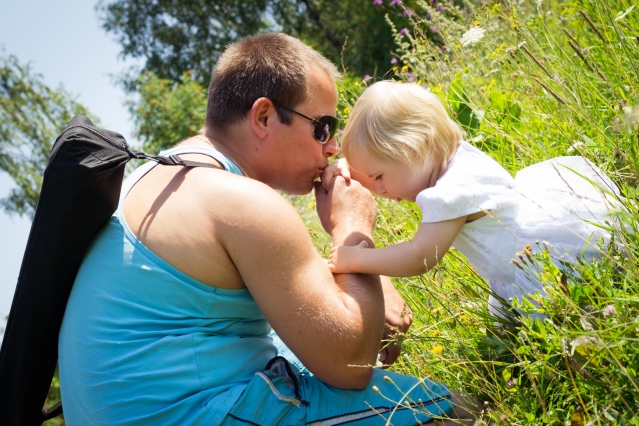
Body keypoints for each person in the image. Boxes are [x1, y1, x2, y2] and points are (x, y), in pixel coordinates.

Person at [58, 34, 476, 425]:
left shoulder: (161, 177)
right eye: (323, 127)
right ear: (263, 116)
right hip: (196, 414)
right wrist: (352, 228)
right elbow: (353, 366)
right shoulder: (240, 202)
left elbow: (349, 332)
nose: (332, 147)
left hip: (169, 409)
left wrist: (360, 287)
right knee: (451, 407)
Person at [325, 80, 621, 318]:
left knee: (568, 313)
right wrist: (348, 169)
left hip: (534, 264)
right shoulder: (458, 157)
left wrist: (357, 259)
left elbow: (420, 257)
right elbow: (386, 171)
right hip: (529, 237)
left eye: (378, 177)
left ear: (413, 152)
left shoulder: (447, 196)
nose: (379, 190)